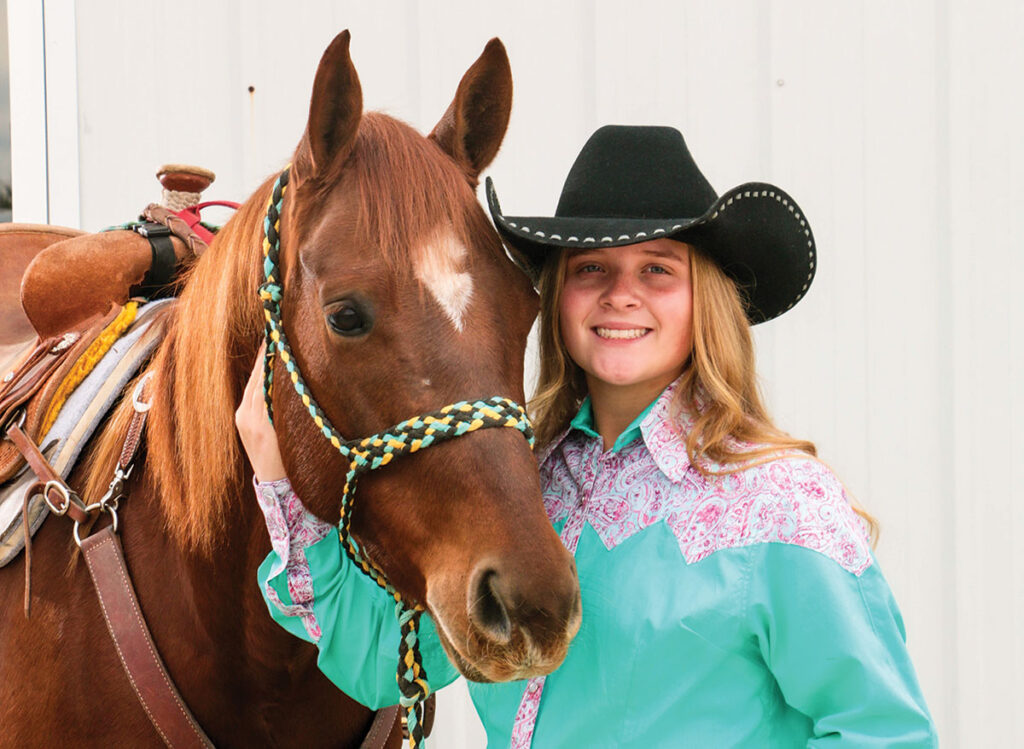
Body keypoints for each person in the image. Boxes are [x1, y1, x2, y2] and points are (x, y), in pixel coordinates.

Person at [236, 125, 937, 747]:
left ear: (704, 298)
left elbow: (884, 731)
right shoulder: (526, 483)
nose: (620, 294)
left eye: (657, 269)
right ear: (557, 296)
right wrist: (276, 477)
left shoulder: (779, 499)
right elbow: (387, 661)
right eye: (592, 268)